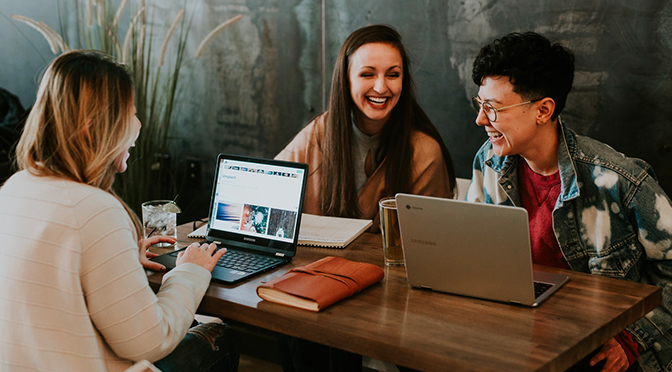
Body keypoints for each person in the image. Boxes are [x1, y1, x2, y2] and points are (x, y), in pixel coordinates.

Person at [0, 50, 238, 371]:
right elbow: (150, 341)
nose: (138, 126)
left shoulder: (15, 187)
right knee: (220, 337)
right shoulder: (95, 209)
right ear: (92, 127)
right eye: (131, 113)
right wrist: (190, 272)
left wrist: (122, 257)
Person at [466, 31, 672, 372]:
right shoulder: (488, 161)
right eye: (480, 104)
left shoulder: (618, 179)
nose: (481, 120)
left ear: (543, 110)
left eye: (494, 109)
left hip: (595, 347)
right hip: (518, 334)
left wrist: (632, 338)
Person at [276, 24, 456, 228]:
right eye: (367, 74)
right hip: (318, 260)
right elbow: (267, 193)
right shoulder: (319, 132)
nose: (381, 87)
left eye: (393, 74)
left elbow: (430, 241)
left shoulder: (424, 153)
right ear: (346, 80)